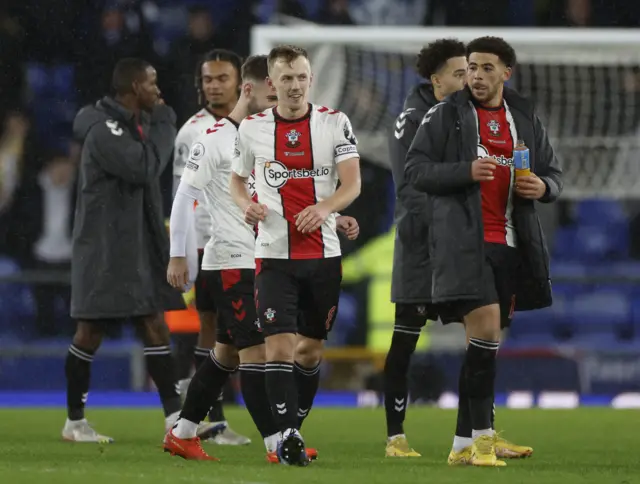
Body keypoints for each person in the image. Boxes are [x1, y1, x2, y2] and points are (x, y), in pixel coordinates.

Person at [164, 54, 360, 462]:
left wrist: (333, 215)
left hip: (256, 255)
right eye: (278, 83)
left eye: (298, 79)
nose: (284, 93)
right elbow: (185, 196)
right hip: (234, 259)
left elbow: (286, 193)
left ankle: (182, 431)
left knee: (227, 354)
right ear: (259, 87)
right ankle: (279, 443)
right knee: (258, 352)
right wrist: (178, 255)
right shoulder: (214, 135)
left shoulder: (273, 134)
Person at [405, 36, 562, 466]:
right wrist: (464, 171)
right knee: (487, 328)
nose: (476, 75)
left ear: (506, 73)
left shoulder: (523, 116)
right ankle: (484, 440)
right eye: (471, 67)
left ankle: (461, 444)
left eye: (487, 68)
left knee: (483, 342)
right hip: (465, 243)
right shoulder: (445, 114)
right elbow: (415, 170)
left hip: (512, 243)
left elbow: (553, 171)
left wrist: (543, 186)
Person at [230, 45, 361, 466]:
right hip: (273, 256)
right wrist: (244, 204)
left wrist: (325, 210)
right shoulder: (251, 128)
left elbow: (352, 184)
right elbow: (236, 181)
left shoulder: (335, 123)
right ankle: (285, 439)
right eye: (286, 78)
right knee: (279, 347)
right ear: (271, 83)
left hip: (323, 256)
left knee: (310, 352)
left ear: (310, 79)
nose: (294, 85)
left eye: (301, 77)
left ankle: (293, 432)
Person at [63, 58, 185, 443]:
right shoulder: (105, 130)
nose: (158, 91)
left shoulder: (132, 123)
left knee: (154, 325)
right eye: (152, 84)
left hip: (136, 245)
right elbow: (145, 167)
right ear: (135, 87)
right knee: (90, 332)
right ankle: (75, 421)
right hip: (104, 249)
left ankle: (176, 420)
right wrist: (166, 122)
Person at [385, 38, 467, 458]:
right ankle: (395, 437)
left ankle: (478, 434)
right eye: (459, 72)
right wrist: (447, 227)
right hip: (422, 244)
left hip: (460, 245)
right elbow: (410, 187)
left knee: (481, 334)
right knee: (405, 340)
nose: (468, 78)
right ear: (437, 81)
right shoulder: (411, 120)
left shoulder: (466, 115)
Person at [172, 48, 250, 446]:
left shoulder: (253, 125)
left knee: (231, 333)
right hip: (207, 245)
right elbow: (180, 196)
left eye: (222, 78)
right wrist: (183, 254)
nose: (215, 86)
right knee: (215, 331)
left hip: (249, 242)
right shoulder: (192, 132)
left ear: (239, 82)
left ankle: (200, 409)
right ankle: (211, 420)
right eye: (208, 79)